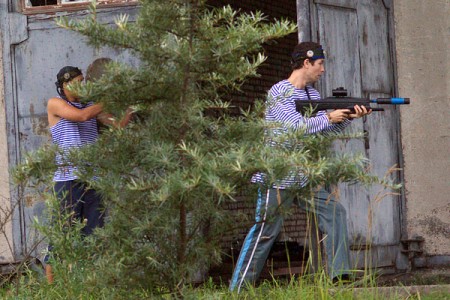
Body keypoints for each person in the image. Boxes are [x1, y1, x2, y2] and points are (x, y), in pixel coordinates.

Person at [229, 41, 371, 293]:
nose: (323, 70)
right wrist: (328, 116)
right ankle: (238, 290)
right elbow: (294, 127)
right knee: (265, 233)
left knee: (335, 212)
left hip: (303, 178)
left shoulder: (312, 96)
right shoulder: (279, 92)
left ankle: (340, 278)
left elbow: (320, 135)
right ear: (306, 63)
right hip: (278, 177)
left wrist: (347, 118)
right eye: (320, 64)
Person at [44, 65, 132, 283]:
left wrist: (131, 107)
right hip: (68, 181)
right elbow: (81, 117)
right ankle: (50, 290)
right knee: (60, 237)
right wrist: (108, 99)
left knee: (94, 237)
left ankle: (91, 286)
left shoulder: (91, 106)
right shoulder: (56, 104)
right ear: (64, 86)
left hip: (93, 182)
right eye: (76, 82)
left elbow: (118, 126)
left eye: (83, 81)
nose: (81, 85)